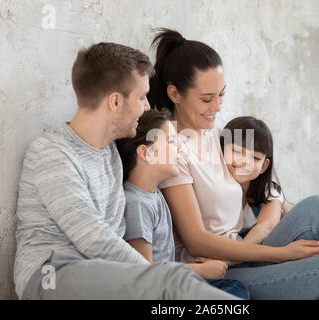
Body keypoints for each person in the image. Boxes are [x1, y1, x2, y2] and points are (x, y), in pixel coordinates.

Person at [147, 28, 319, 299]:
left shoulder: (216, 134)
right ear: (174, 94)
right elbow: (196, 240)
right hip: (217, 269)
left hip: (244, 248)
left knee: (316, 207)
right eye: (207, 99)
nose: (218, 107)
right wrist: (283, 253)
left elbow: (264, 183)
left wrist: (268, 219)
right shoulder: (169, 145)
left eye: (221, 95)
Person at [13, 42, 239, 300]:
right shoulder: (52, 152)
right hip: (52, 275)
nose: (146, 107)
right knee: (174, 283)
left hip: (103, 273)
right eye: (142, 97)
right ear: (116, 101)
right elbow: (93, 239)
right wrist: (161, 274)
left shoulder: (110, 155)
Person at [116, 108, 250, 299]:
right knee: (235, 289)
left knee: (235, 285)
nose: (179, 148)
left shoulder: (154, 194)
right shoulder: (137, 203)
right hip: (161, 290)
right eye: (171, 142)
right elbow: (143, 269)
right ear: (146, 153)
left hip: (174, 281)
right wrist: (199, 271)